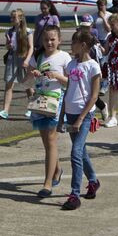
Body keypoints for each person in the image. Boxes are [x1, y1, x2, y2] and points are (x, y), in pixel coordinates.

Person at [59, 31, 102, 210]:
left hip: (84, 115)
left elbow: (93, 96)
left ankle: (74, 194)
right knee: (81, 151)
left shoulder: (93, 66)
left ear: (83, 45)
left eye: (74, 42)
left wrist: (81, 119)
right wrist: (62, 116)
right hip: (70, 113)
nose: (71, 46)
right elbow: (68, 90)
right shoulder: (71, 64)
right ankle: (93, 181)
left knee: (75, 152)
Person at [27, 25, 71, 197]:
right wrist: (34, 74)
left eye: (53, 39)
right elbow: (28, 75)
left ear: (59, 40)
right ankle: (58, 169)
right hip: (40, 101)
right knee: (46, 142)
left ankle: (47, 183)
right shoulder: (38, 56)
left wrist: (58, 76)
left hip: (55, 101)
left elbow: (70, 81)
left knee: (51, 141)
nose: (49, 42)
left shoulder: (64, 57)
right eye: (46, 39)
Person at [0, 9, 34, 119]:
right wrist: (8, 45)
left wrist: (27, 60)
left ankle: (32, 108)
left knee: (27, 85)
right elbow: (8, 47)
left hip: (23, 58)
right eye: (11, 17)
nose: (11, 19)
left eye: (14, 17)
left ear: (20, 18)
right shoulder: (9, 31)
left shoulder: (27, 31)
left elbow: (31, 47)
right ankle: (5, 111)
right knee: (9, 83)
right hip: (12, 59)